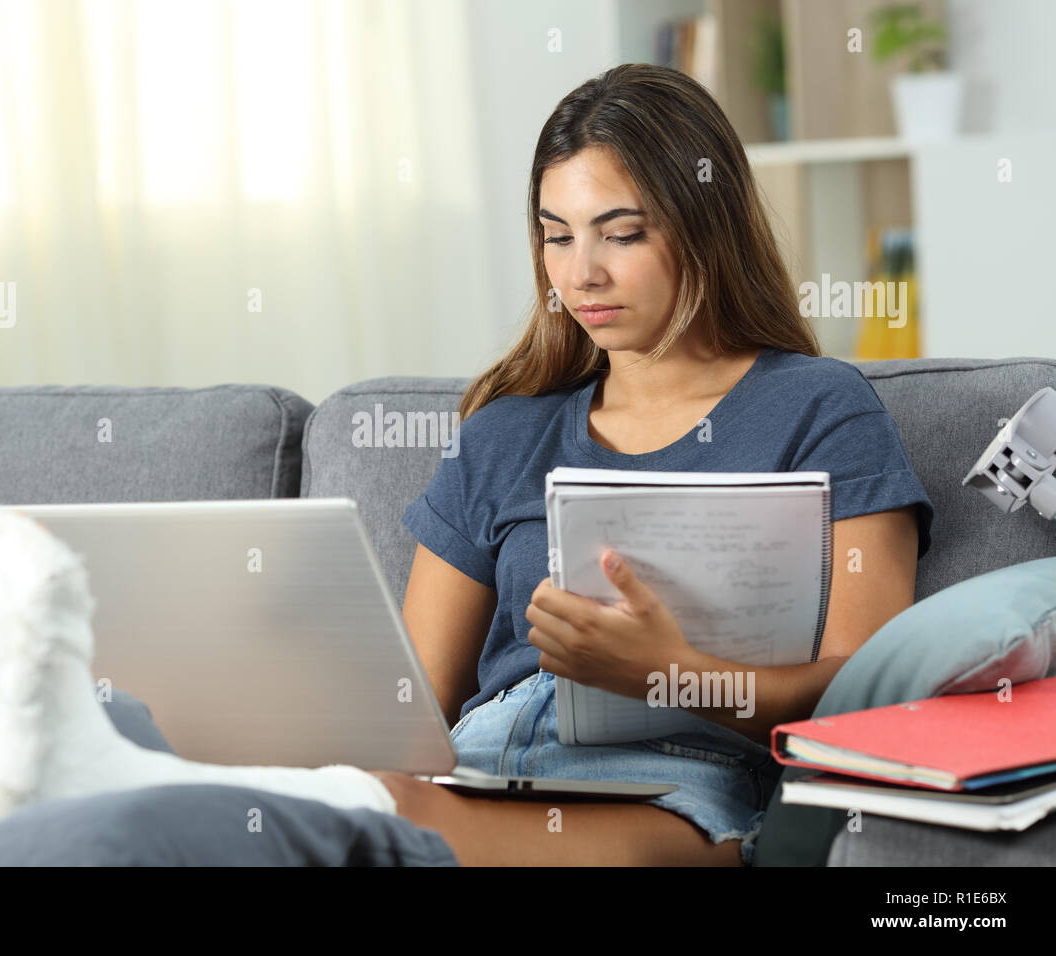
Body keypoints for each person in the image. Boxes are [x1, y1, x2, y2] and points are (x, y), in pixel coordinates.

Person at [367, 62, 934, 866]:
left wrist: (669, 673)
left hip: (673, 789)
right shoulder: (502, 431)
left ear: (704, 225)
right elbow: (407, 704)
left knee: (384, 824)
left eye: (621, 233)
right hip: (476, 769)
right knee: (353, 801)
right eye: (557, 236)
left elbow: (866, 686)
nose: (580, 274)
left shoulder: (820, 408)